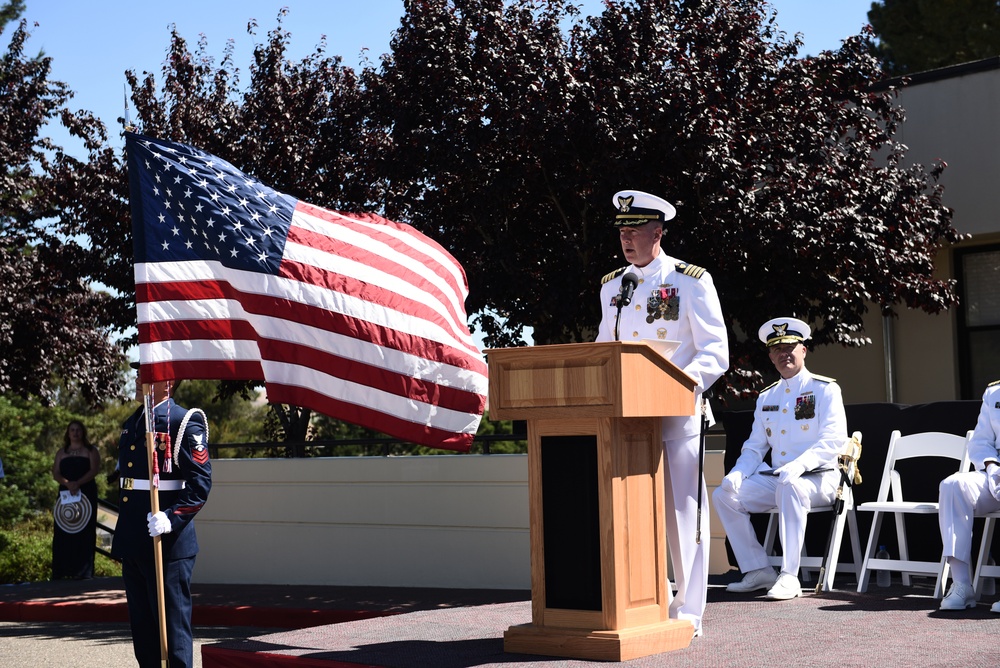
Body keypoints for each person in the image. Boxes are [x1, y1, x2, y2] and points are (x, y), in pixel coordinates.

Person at [596, 189, 729, 638]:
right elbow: (603, 350)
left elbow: (715, 352)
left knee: (682, 512)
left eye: (635, 231)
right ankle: (648, 597)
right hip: (627, 421)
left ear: (659, 232)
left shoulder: (690, 281)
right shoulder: (612, 286)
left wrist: (675, 387)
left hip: (675, 415)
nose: (626, 239)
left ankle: (689, 610)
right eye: (622, 231)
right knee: (632, 511)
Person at [712, 317, 848, 600]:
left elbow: (833, 441)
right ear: (770, 355)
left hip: (819, 477)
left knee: (791, 486)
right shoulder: (767, 396)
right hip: (780, 478)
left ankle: (789, 576)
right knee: (724, 496)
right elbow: (755, 447)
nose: (784, 353)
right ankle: (758, 569)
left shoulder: (825, 389)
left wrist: (800, 465)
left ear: (803, 350)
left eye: (790, 346)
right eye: (777, 349)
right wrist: (738, 473)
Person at [111, 363, 212, 668]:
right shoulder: (134, 421)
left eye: (146, 372)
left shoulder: (183, 422)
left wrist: (171, 517)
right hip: (136, 538)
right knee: (143, 632)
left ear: (167, 379)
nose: (139, 377)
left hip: (166, 543)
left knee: (172, 631)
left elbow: (200, 484)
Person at [938, 379, 1000, 612]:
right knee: (953, 485)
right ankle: (962, 584)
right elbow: (980, 441)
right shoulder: (994, 392)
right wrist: (992, 466)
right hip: (994, 472)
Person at [51, 420, 101, 580]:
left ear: (83, 432)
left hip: (85, 494)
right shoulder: (61, 452)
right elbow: (56, 472)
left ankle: (84, 573)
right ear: (68, 433)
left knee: (84, 531)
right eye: (72, 430)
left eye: (78, 429)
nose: (75, 433)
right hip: (66, 496)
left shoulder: (91, 451)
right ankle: (61, 571)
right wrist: (68, 484)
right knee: (63, 532)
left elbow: (94, 470)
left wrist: (78, 483)